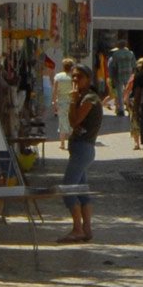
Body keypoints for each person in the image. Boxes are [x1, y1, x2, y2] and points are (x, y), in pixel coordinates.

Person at [59, 64, 103, 242]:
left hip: (83, 148)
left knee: (68, 188)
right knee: (82, 190)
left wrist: (72, 101)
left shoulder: (89, 99)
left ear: (89, 79)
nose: (75, 80)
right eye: (74, 76)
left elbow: (74, 120)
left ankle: (77, 228)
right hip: (80, 148)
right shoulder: (82, 97)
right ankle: (86, 229)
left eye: (80, 77)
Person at [107, 39, 136, 116]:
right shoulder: (131, 53)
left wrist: (111, 77)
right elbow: (134, 65)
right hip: (129, 75)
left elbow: (113, 66)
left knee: (119, 93)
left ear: (118, 46)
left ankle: (121, 110)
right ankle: (130, 107)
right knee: (129, 92)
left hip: (118, 75)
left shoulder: (115, 54)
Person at [51, 56, 74, 140]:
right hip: (71, 101)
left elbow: (55, 91)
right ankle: (71, 139)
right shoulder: (73, 77)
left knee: (62, 121)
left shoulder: (58, 76)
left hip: (61, 101)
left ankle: (62, 142)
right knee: (71, 121)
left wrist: (54, 102)